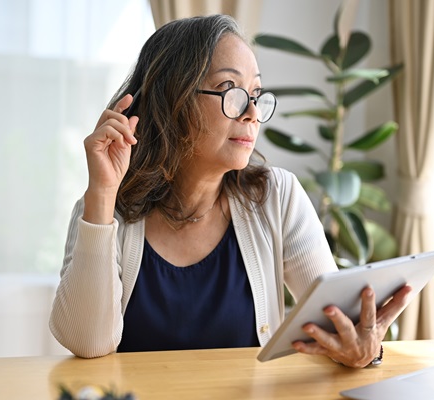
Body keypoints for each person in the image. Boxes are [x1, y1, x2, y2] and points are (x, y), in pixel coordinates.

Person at [49, 14, 411, 368]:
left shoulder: (277, 196)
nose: (252, 112)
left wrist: (368, 350)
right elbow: (88, 343)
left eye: (256, 93)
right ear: (174, 99)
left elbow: (341, 327)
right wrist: (102, 193)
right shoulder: (103, 208)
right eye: (230, 91)